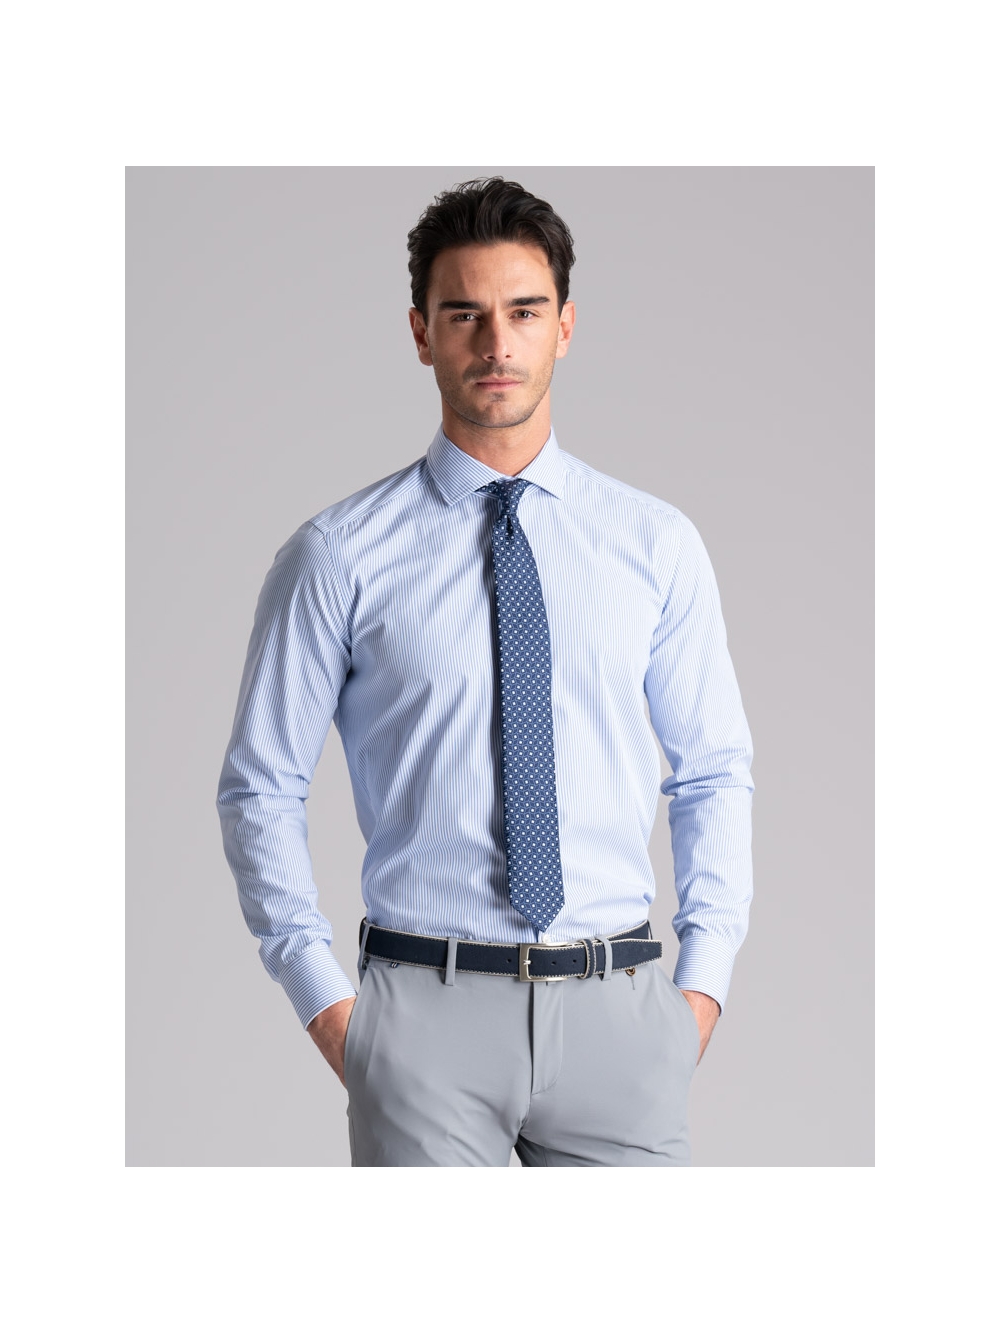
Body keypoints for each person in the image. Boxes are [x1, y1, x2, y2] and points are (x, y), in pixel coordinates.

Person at [217, 177, 754, 1167]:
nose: (496, 344)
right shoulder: (337, 554)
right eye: (464, 314)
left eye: (524, 312)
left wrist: (700, 993)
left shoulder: (654, 544)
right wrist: (330, 1008)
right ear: (421, 333)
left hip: (620, 1016)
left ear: (565, 327)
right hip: (423, 1015)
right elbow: (260, 786)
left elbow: (713, 770)